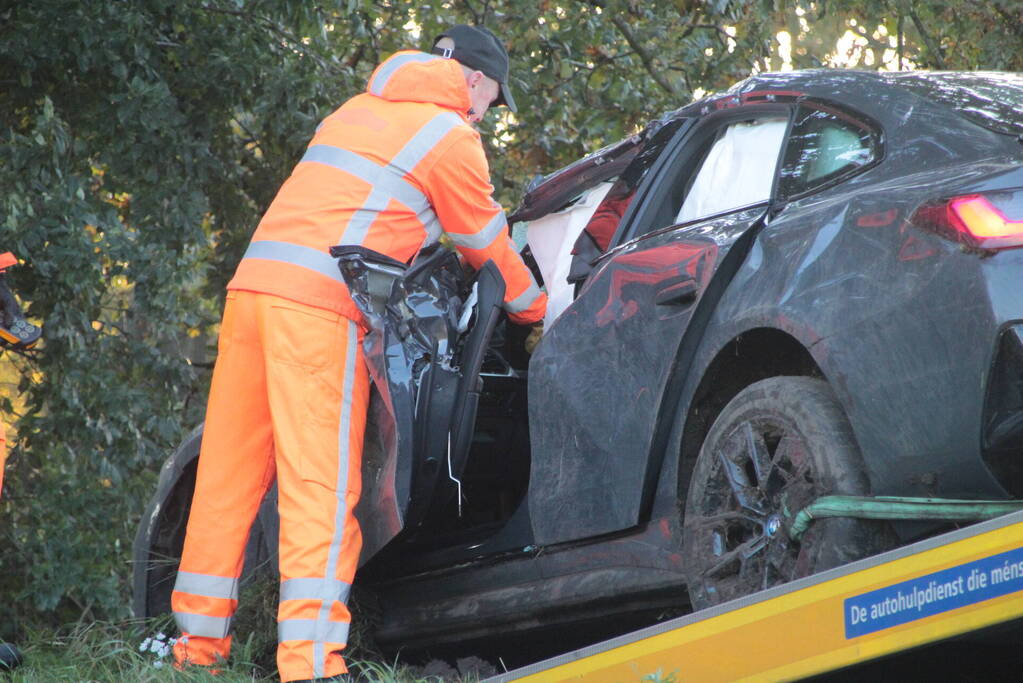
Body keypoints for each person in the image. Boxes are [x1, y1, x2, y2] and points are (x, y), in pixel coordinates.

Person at [170, 24, 547, 683]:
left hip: (253, 292)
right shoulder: (448, 136)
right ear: (477, 82)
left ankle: (196, 653)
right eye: (492, 101)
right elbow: (482, 241)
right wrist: (536, 309)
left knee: (228, 478)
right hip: (318, 309)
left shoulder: (357, 108)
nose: (486, 114)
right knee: (322, 486)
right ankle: (312, 666)